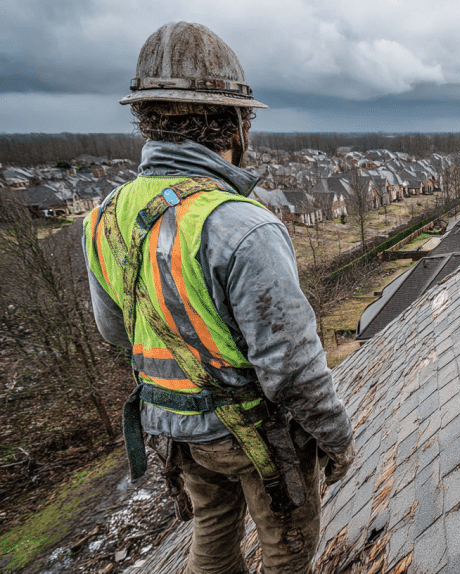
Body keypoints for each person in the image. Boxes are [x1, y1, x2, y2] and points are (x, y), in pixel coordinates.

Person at [83, 22, 354, 574]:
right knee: (286, 545)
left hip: (173, 429)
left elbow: (116, 331)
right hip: (252, 433)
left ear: (147, 121)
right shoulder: (241, 225)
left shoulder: (104, 217)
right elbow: (292, 370)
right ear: (237, 124)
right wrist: (337, 440)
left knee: (212, 530)